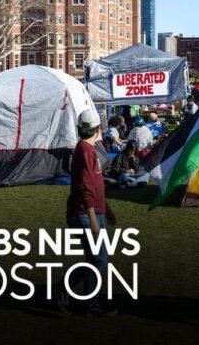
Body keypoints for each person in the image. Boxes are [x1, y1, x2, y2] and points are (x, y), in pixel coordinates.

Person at [53, 109, 118, 317]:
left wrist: (106, 208)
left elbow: (94, 185)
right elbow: (84, 186)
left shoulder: (86, 149)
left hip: (92, 211)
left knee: (94, 259)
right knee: (98, 259)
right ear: (98, 129)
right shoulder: (85, 150)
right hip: (84, 213)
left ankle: (91, 305)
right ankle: (63, 288)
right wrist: (93, 219)